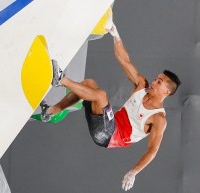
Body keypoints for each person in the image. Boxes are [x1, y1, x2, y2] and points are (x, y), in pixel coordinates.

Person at [40, 22, 181, 191]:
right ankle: (50, 111)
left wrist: (133, 172)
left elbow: (153, 150)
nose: (153, 81)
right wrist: (116, 35)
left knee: (100, 95)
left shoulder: (159, 118)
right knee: (89, 84)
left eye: (159, 82)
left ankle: (60, 79)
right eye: (156, 78)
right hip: (106, 123)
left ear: (166, 92)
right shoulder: (141, 86)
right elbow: (124, 60)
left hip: (109, 136)